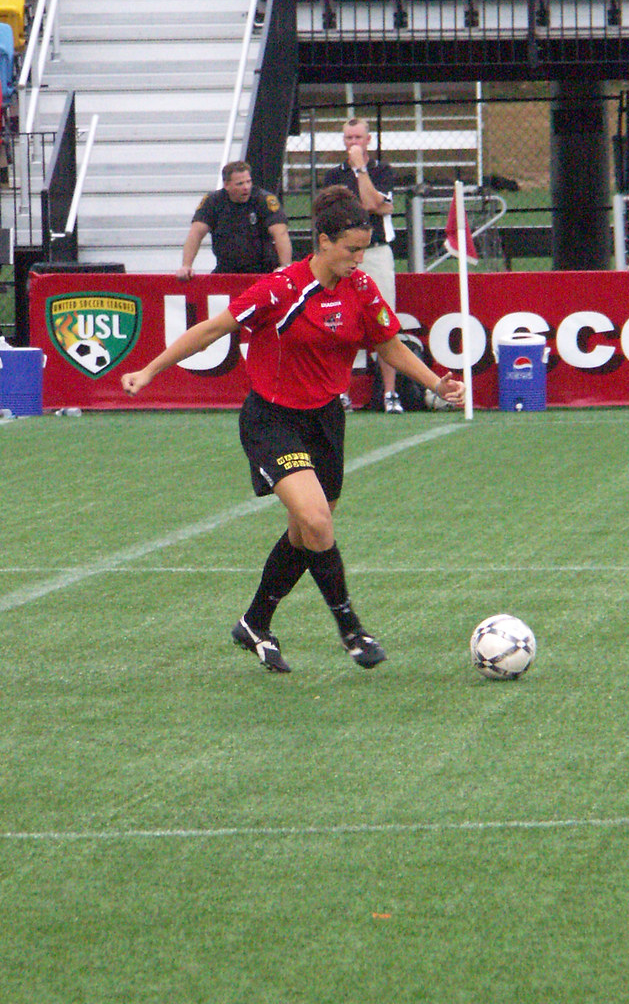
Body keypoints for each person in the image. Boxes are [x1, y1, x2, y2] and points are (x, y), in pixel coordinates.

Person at [122, 186, 465, 674]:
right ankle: (351, 627)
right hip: (272, 419)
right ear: (323, 242)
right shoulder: (281, 288)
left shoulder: (362, 289)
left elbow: (387, 344)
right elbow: (211, 330)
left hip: (326, 421)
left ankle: (255, 622)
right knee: (318, 520)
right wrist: (151, 370)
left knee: (307, 533)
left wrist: (436, 383)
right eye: (350, 249)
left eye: (363, 249)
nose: (358, 258)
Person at [322, 117, 402, 413]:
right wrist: (377, 205)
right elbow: (362, 209)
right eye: (348, 138)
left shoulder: (381, 170)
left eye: (358, 137)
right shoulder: (333, 176)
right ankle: (341, 393)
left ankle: (390, 394)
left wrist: (361, 171)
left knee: (384, 320)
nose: (353, 143)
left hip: (377, 252)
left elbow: (369, 203)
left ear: (368, 140)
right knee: (341, 321)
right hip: (344, 255)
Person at [177, 160, 292, 279]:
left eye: (248, 182)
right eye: (240, 184)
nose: (246, 187)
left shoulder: (264, 200)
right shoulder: (213, 202)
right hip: (227, 270)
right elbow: (196, 233)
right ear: (226, 185)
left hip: (261, 270)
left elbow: (281, 234)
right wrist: (186, 265)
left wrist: (285, 267)